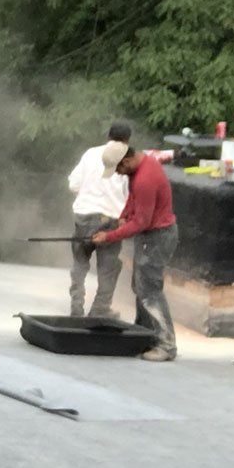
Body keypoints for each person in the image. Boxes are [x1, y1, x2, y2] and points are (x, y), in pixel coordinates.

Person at [93, 147, 179, 361]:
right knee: (140, 285)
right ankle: (143, 334)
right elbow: (134, 198)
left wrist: (110, 236)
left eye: (119, 168)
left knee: (150, 290)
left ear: (128, 160)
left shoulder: (145, 179)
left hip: (157, 237)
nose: (119, 173)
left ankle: (166, 345)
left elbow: (142, 222)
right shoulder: (141, 168)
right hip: (151, 236)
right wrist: (124, 215)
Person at [64, 124, 131, 317]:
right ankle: (100, 310)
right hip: (110, 220)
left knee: (79, 262)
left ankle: (76, 307)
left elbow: (73, 184)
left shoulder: (91, 154)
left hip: (84, 216)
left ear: (108, 136)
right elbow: (129, 196)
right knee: (108, 267)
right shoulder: (126, 161)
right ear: (127, 141)